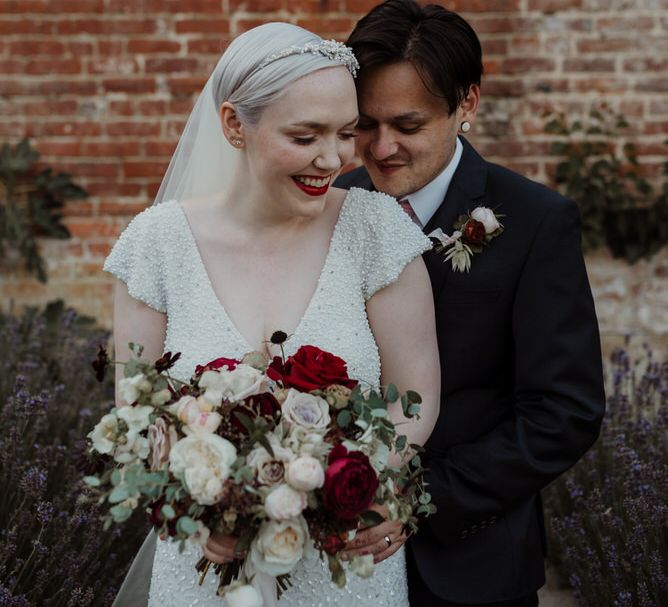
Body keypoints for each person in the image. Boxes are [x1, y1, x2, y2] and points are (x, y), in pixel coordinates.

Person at [103, 22, 440, 607]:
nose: (332, 158)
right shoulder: (157, 244)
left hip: (346, 563)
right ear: (235, 125)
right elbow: (135, 412)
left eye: (343, 132)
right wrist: (198, 503)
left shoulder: (377, 231)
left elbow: (414, 395)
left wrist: (349, 487)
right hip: (207, 561)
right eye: (305, 135)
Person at [335, 2, 606, 606]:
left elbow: (565, 411)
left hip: (470, 565)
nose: (381, 149)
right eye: (364, 125)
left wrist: (418, 497)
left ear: (467, 105)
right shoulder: (333, 204)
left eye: (408, 126)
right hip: (332, 561)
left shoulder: (538, 221)